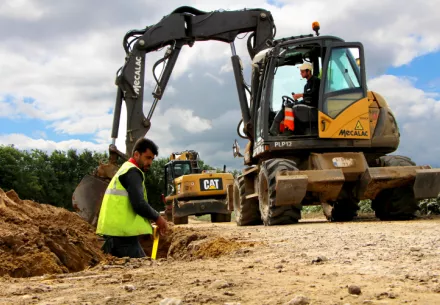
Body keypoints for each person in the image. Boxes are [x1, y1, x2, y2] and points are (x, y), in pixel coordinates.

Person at [96, 137, 169, 258]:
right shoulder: (133, 172)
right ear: (136, 154)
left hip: (115, 233)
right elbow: (138, 204)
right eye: (147, 157)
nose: (150, 162)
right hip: (122, 235)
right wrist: (157, 218)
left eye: (152, 159)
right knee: (144, 270)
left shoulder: (125, 169)